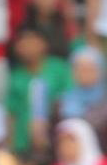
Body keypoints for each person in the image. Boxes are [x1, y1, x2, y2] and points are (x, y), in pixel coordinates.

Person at [6, 26, 71, 154]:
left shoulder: (59, 69)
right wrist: (11, 145)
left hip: (57, 141)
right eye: (21, 41)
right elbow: (11, 114)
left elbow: (70, 99)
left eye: (30, 40)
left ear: (43, 44)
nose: (25, 46)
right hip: (24, 144)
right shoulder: (16, 76)